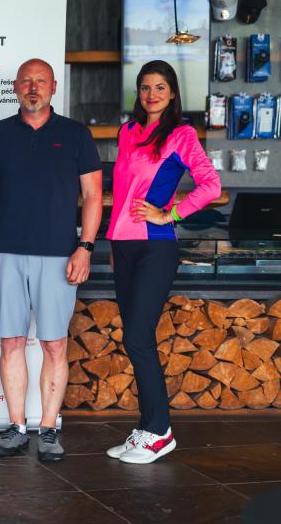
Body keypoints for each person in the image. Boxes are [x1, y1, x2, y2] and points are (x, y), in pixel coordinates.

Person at [0, 58, 102, 462]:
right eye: (26, 81)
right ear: (15, 86)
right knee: (11, 342)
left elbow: (93, 196)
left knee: (54, 344)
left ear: (53, 86)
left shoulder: (76, 134)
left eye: (40, 81)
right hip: (4, 253)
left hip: (60, 255)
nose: (33, 87)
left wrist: (86, 247)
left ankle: (48, 429)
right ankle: (16, 428)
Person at [105, 60, 220, 464]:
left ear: (172, 93)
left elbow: (211, 185)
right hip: (123, 245)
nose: (151, 94)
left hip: (155, 247)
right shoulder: (127, 132)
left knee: (138, 338)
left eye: (160, 87)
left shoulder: (181, 134)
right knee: (135, 339)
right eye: (145, 87)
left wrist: (170, 214)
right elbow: (123, 192)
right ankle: (146, 428)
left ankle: (160, 432)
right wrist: (115, 242)